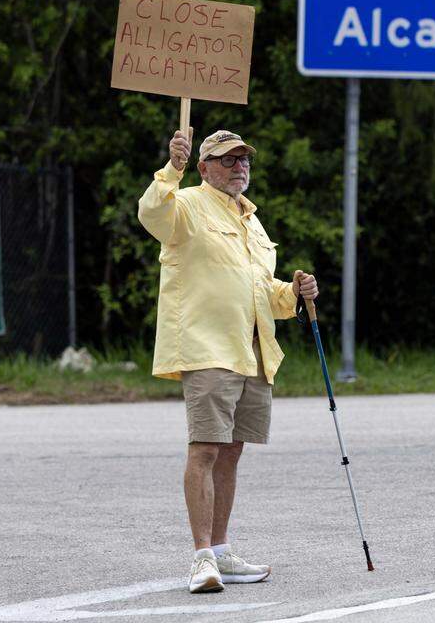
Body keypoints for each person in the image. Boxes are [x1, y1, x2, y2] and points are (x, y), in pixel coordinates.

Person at [138, 127, 318, 593]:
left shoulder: (252, 220)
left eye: (244, 160)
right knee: (205, 448)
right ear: (204, 167)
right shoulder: (186, 204)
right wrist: (171, 168)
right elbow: (151, 213)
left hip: (252, 351)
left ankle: (221, 550)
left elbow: (262, 292)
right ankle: (201, 559)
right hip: (207, 347)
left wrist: (294, 294)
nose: (240, 166)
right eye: (227, 159)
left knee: (232, 451)